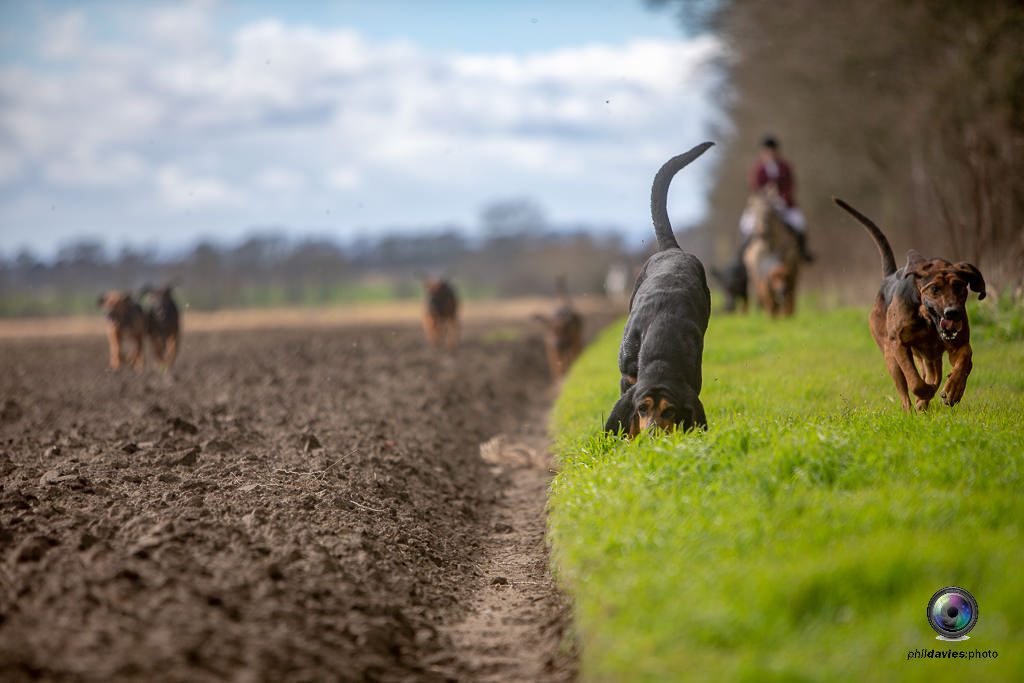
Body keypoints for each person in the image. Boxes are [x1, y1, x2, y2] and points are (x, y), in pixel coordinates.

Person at [739, 135, 814, 262]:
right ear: (763, 152)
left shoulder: (786, 167)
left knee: (800, 222)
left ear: (777, 151)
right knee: (745, 225)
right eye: (767, 151)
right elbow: (755, 188)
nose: (770, 154)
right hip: (762, 206)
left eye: (772, 151)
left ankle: (803, 251)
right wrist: (765, 200)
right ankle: (742, 257)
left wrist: (782, 199)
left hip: (784, 205)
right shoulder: (758, 169)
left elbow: (790, 186)